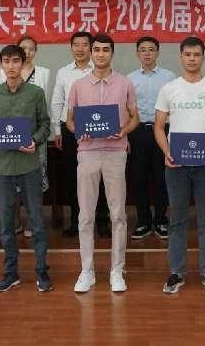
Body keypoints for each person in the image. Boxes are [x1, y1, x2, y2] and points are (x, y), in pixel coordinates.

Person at [155, 36, 205, 295]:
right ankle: (176, 272)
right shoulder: (169, 88)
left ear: (203, 57)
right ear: (181, 57)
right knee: (177, 219)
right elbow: (158, 127)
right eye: (187, 54)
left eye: (196, 54)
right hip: (176, 164)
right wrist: (166, 151)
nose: (191, 59)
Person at [67, 34, 139, 293]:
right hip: (87, 153)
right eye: (96, 49)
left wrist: (123, 131)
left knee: (118, 214)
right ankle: (87, 271)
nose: (100, 54)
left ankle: (117, 270)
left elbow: (135, 117)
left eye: (105, 50)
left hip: (116, 153)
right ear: (91, 52)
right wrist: (78, 131)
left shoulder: (125, 83)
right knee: (85, 215)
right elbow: (70, 120)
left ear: (112, 53)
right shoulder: (78, 85)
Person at [0, 45, 53, 292]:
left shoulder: (36, 93)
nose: (11, 66)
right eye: (6, 61)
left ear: (23, 64)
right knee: (6, 223)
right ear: (1, 64)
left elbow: (45, 124)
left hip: (29, 165)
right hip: (2, 166)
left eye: (16, 61)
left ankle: (42, 271)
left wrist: (34, 140)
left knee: (36, 220)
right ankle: (11, 272)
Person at [50, 32, 109, 238]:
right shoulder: (63, 72)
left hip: (98, 127)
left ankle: (102, 221)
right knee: (75, 176)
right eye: (76, 45)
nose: (80, 49)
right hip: (71, 129)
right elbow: (57, 101)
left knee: (100, 175)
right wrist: (57, 130)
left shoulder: (101, 69)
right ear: (71, 47)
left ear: (91, 48)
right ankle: (76, 221)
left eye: (85, 45)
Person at [127, 36, 175, 240]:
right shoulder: (129, 79)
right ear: (137, 53)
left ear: (157, 52)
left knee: (161, 178)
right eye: (143, 50)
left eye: (151, 49)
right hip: (137, 132)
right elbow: (125, 110)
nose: (147, 53)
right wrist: (125, 136)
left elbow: (175, 107)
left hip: (162, 131)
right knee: (138, 178)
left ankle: (161, 220)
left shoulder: (169, 77)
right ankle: (143, 221)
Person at [9, 36, 51, 237]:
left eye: (31, 49)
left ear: (36, 51)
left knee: (34, 178)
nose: (27, 52)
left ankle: (32, 221)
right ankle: (15, 220)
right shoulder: (6, 71)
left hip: (35, 133)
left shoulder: (44, 72)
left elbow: (44, 103)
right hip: (12, 132)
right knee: (14, 177)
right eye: (23, 48)